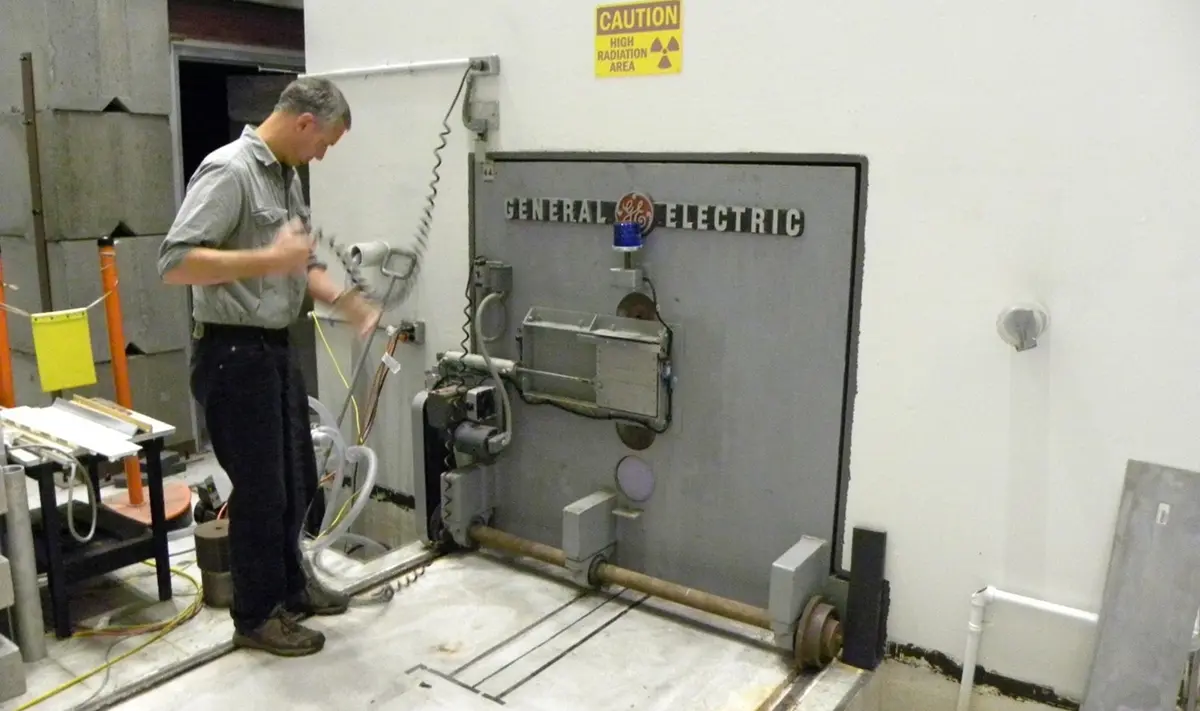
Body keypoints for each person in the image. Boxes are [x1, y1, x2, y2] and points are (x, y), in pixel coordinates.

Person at [157, 76, 380, 657]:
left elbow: (298, 268)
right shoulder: (229, 170)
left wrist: (349, 302)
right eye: (325, 142)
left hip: (273, 349)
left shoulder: (285, 178)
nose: (323, 154)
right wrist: (268, 256)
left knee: (298, 482)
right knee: (261, 493)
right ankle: (256, 617)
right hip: (232, 353)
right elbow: (175, 262)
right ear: (305, 123)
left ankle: (291, 587)